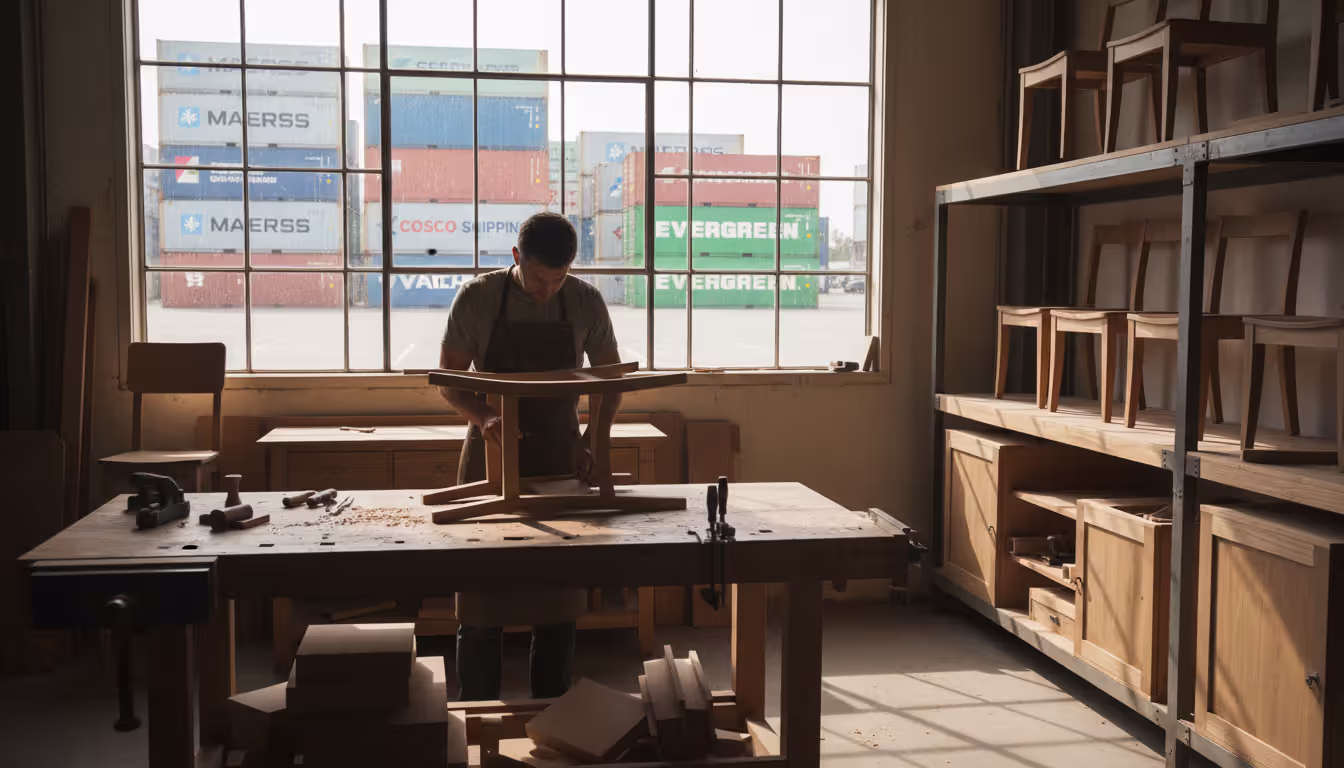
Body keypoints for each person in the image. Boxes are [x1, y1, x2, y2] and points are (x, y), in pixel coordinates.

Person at [436, 211, 622, 700]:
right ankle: (477, 713)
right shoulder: (478, 298)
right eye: (538, 278)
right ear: (517, 258)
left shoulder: (585, 300)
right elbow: (450, 380)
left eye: (557, 279)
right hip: (490, 459)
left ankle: (553, 715)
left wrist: (591, 443)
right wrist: (485, 418)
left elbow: (612, 379)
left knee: (558, 606)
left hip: (562, 456)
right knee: (480, 605)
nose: (546, 289)